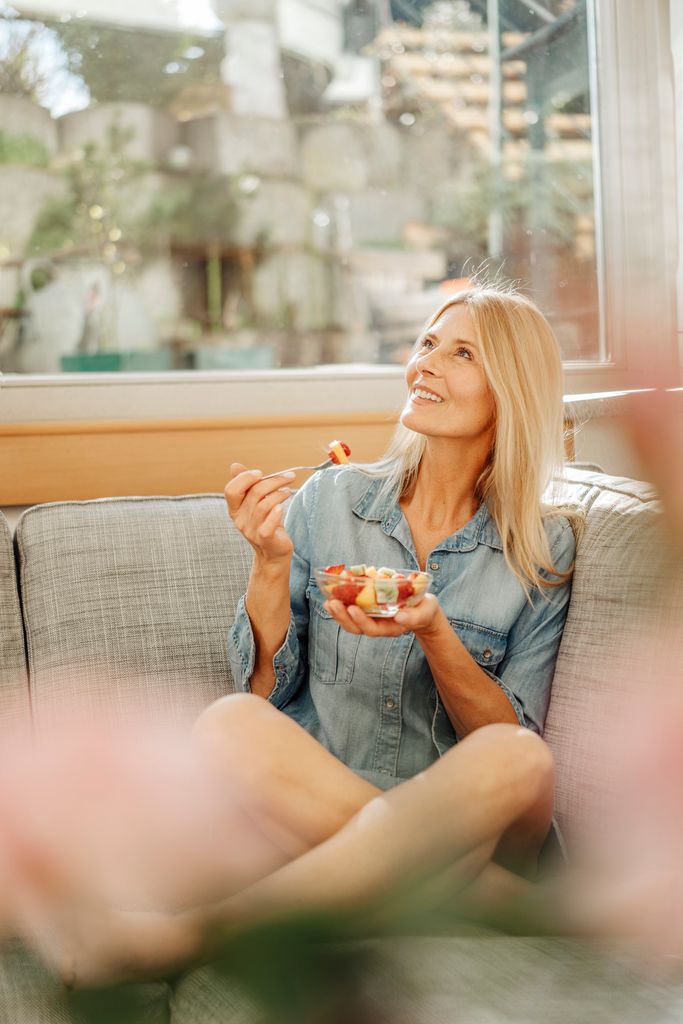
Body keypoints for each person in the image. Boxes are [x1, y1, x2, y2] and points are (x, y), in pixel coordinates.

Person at [1, 284, 582, 983]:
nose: (425, 363)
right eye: (426, 342)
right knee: (230, 722)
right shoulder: (330, 498)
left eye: (460, 353)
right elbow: (268, 692)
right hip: (317, 797)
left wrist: (433, 631)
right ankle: (487, 903)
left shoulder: (543, 547)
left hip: (470, 824)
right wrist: (270, 564)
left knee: (519, 758)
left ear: (509, 391)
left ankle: (187, 936)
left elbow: (505, 734)